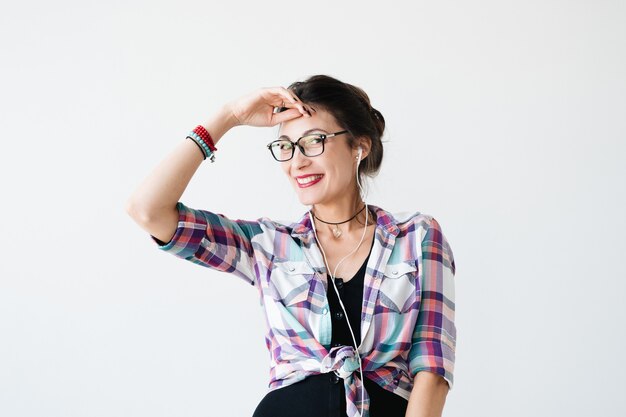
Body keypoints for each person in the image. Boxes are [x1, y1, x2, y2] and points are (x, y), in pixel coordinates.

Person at [125, 74, 457, 417]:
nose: (297, 161)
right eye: (286, 147)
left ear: (359, 146)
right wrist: (229, 116)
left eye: (314, 141)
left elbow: (432, 368)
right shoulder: (268, 245)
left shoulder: (416, 236)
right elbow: (147, 210)